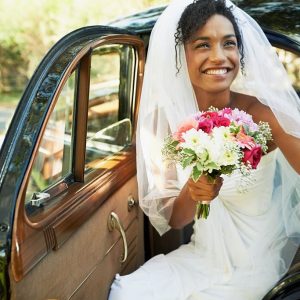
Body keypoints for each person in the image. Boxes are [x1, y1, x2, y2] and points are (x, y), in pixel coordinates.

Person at [109, 0, 300, 299]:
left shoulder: (263, 115)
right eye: (203, 45)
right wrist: (195, 189)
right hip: (201, 257)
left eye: (229, 43)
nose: (219, 56)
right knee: (127, 293)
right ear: (181, 54)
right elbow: (174, 219)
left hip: (255, 265)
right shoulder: (164, 121)